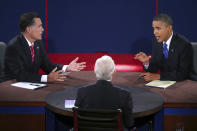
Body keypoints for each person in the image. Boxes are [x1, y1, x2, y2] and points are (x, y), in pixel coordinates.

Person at [4, 12, 86, 82]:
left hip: (31, 84)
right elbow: (20, 75)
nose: (42, 29)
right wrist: (46, 78)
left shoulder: (38, 43)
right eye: (39, 26)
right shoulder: (14, 46)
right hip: (12, 85)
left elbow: (47, 65)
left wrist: (66, 67)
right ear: (28, 29)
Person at [75, 55, 134, 130]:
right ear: (114, 72)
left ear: (95, 71)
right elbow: (129, 123)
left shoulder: (82, 92)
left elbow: (78, 119)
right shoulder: (124, 95)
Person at [135, 14, 193, 81]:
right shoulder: (157, 43)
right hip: (164, 83)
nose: (154, 32)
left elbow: (183, 74)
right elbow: (153, 70)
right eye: (153, 28)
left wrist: (159, 76)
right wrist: (146, 62)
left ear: (169, 28)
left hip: (182, 84)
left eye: (158, 28)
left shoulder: (183, 44)